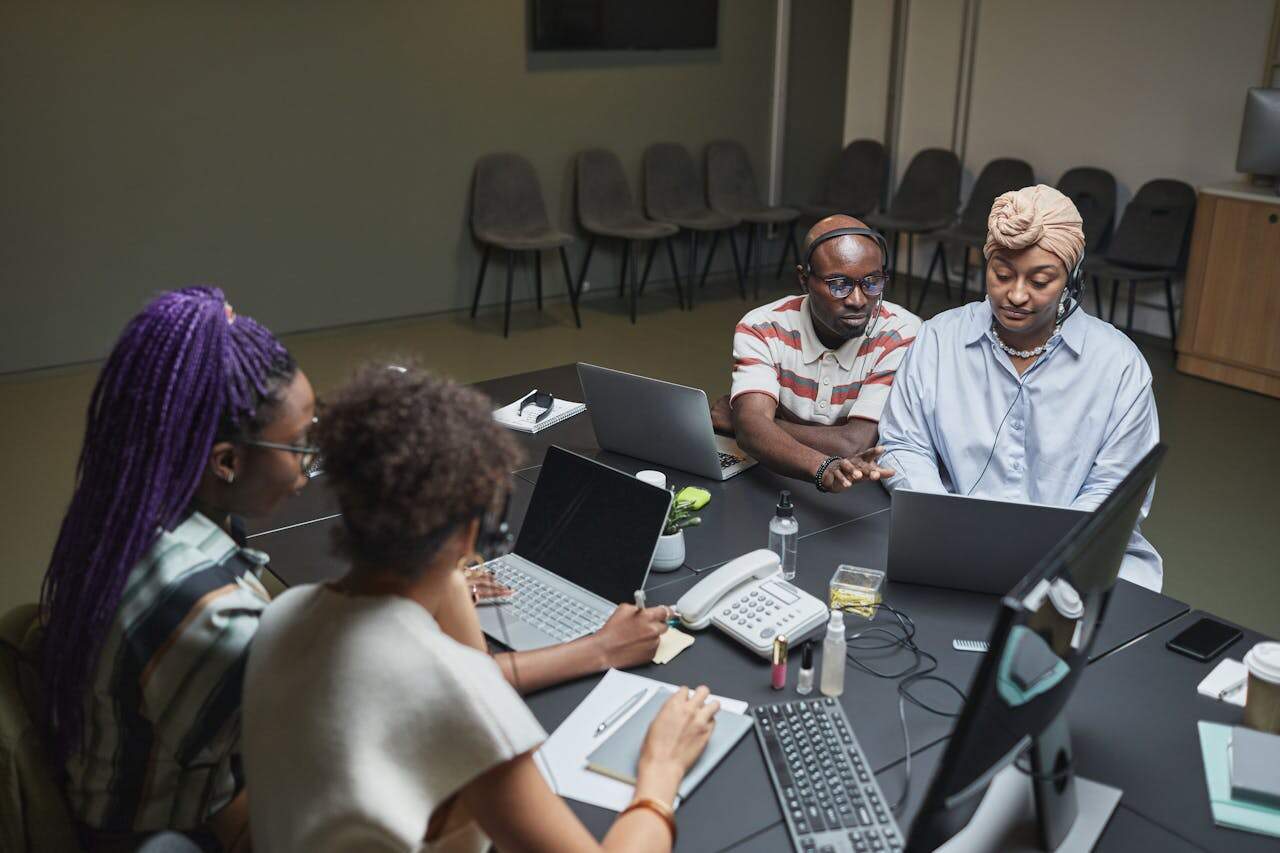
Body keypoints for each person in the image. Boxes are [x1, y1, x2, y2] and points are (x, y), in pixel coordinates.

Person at [37, 288, 668, 850]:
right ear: (472, 534)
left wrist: (431, 587)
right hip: (176, 828)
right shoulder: (222, 618)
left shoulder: (254, 592)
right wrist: (656, 776)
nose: (308, 458)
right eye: (299, 442)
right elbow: (438, 692)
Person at [243, 364, 719, 852]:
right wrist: (660, 774)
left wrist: (449, 571)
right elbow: (467, 688)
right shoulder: (454, 694)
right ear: (471, 531)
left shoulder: (282, 614)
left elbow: (472, 675)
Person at [877, 185, 1162, 590]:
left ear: (1072, 279)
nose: (1015, 295)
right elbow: (903, 443)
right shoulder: (939, 340)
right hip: (951, 545)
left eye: (1040, 280)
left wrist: (1050, 550)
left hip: (1075, 560)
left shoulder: (1119, 367)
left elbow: (1117, 490)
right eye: (1002, 275)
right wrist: (939, 518)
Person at [711, 215, 920, 493]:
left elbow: (855, 444)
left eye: (872, 282)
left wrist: (750, 424)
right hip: (778, 476)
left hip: (861, 486)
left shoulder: (901, 333)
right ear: (804, 280)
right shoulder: (762, 327)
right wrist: (822, 466)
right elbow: (752, 431)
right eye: (839, 284)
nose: (858, 300)